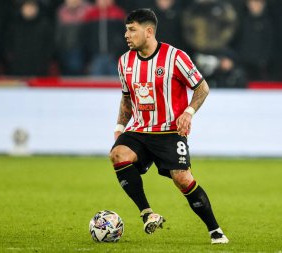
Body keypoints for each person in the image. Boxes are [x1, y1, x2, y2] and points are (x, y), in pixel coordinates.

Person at [109, 8, 229, 244]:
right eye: (126, 29)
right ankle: (147, 213)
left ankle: (215, 231)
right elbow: (126, 98)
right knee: (117, 154)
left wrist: (189, 112)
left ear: (149, 31)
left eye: (132, 30)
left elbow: (201, 87)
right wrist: (120, 126)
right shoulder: (125, 62)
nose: (126, 34)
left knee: (183, 179)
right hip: (141, 130)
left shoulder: (175, 57)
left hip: (170, 132)